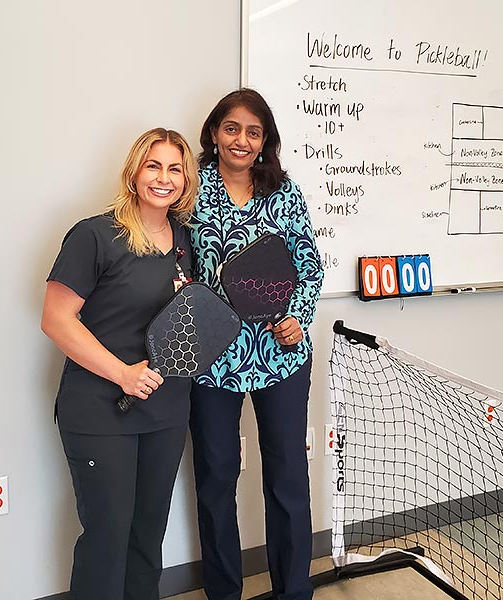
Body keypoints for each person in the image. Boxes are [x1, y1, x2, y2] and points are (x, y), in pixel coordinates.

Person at [40, 127, 198, 600]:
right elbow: (55, 319)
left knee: (147, 537)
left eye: (175, 168)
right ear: (134, 171)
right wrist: (122, 374)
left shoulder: (187, 241)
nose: (163, 178)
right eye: (153, 165)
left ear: (186, 179)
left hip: (166, 412)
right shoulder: (95, 235)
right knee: (107, 538)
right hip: (102, 410)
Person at [189, 89, 324, 600]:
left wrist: (297, 315)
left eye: (253, 131)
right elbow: (170, 257)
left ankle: (294, 592)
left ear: (265, 140)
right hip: (212, 358)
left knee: (287, 477)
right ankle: (223, 592)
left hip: (279, 353)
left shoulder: (285, 192)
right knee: (215, 477)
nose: (241, 140)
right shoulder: (190, 188)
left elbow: (309, 263)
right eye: (231, 128)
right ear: (214, 133)